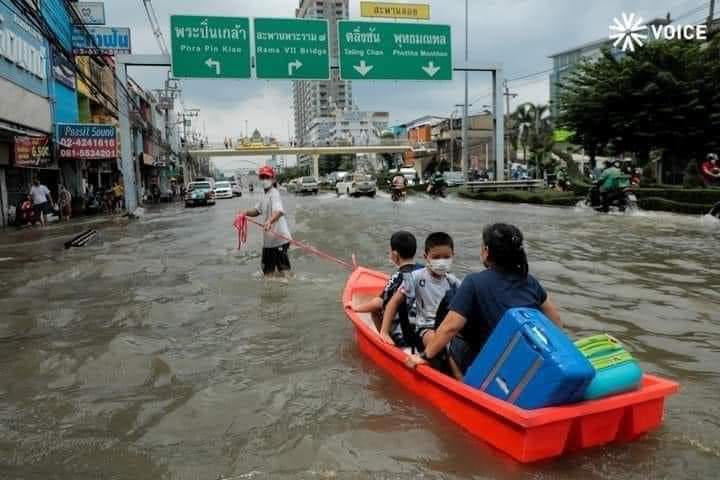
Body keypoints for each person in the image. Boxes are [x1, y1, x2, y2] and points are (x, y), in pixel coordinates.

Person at [406, 223, 562, 377]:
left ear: (486, 251)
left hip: (490, 365)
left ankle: (460, 382)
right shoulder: (530, 281)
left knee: (447, 335)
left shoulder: (474, 282)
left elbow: (450, 327)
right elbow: (556, 322)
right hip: (525, 361)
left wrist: (423, 356)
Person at [381, 232, 461, 353]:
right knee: (442, 345)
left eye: (446, 257)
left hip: (445, 328)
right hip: (424, 329)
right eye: (436, 257)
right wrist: (384, 332)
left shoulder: (453, 281)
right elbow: (394, 303)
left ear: (453, 255)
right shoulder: (415, 277)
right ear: (426, 257)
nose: (441, 261)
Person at [352, 231, 422, 335]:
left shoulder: (398, 276)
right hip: (424, 326)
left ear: (395, 254)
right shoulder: (423, 270)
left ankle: (382, 337)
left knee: (375, 309)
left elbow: (378, 304)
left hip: (405, 331)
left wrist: (356, 308)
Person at [240, 166, 292, 277]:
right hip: (269, 241)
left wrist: (269, 221)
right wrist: (244, 213)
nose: (264, 180)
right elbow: (256, 211)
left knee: (284, 273)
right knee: (267, 273)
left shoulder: (274, 193)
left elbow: (278, 211)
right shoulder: (264, 195)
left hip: (280, 240)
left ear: (273, 179)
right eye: (262, 177)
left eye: (267, 177)